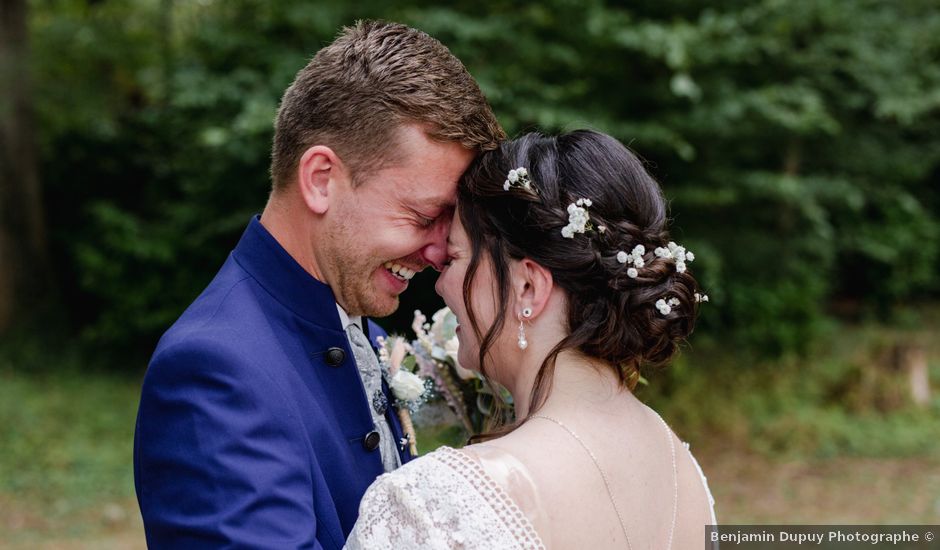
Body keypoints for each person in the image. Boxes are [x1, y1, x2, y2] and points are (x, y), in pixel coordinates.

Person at [134, 21, 504, 548]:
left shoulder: (357, 325)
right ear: (320, 180)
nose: (440, 251)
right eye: (424, 216)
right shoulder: (213, 371)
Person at [347, 130, 717, 549]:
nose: (440, 285)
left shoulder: (435, 503)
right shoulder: (682, 472)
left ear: (527, 288)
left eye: (453, 259)